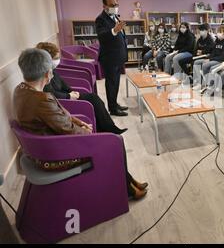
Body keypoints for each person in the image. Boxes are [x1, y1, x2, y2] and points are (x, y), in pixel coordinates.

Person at [14, 48, 148, 200]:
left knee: (111, 139)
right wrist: (90, 134)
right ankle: (127, 187)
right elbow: (69, 131)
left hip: (44, 148)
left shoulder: (21, 91)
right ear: (47, 73)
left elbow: (60, 117)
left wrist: (80, 123)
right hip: (55, 154)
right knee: (115, 141)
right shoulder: (41, 100)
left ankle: (128, 181)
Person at [37, 42, 126, 135]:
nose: (58, 60)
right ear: (47, 59)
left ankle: (107, 128)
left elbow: (63, 84)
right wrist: (69, 96)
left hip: (68, 96)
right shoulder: (44, 76)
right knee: (94, 99)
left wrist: (71, 91)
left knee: (94, 99)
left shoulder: (52, 70)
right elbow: (51, 94)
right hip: (64, 102)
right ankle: (108, 129)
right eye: (55, 58)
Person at [95, 0, 129, 117]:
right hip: (109, 57)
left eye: (116, 4)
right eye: (112, 5)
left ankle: (114, 104)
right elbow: (102, 36)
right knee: (111, 83)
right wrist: (114, 30)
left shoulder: (114, 16)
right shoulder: (100, 19)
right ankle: (113, 109)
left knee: (116, 82)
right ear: (104, 6)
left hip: (117, 56)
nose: (115, 7)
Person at [196, 25, 224, 92]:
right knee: (197, 62)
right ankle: (200, 82)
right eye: (218, 32)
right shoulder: (217, 41)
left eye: (220, 32)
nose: (218, 33)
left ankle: (209, 84)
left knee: (205, 65)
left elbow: (223, 57)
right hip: (214, 58)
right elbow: (213, 52)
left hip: (221, 60)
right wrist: (209, 58)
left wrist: (210, 59)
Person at [192, 23, 216, 88]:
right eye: (200, 30)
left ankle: (200, 82)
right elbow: (196, 49)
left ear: (206, 31)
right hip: (199, 56)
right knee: (193, 60)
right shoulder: (200, 39)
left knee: (196, 62)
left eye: (202, 30)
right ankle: (196, 80)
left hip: (207, 56)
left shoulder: (210, 40)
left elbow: (209, 50)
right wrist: (197, 52)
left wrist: (202, 51)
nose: (201, 32)